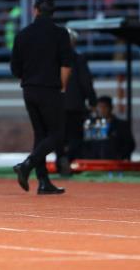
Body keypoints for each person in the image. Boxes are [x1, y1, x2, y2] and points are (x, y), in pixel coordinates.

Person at [11, 0, 73, 194]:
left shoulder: (22, 34)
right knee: (57, 135)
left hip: (29, 89)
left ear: (35, 10)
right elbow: (66, 64)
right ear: (53, 12)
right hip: (50, 89)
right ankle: (26, 165)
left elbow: (15, 69)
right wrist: (62, 88)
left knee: (40, 135)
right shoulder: (60, 34)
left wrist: (29, 77)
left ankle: (43, 181)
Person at [57, 28, 97, 175]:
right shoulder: (78, 59)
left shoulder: (52, 59)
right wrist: (92, 101)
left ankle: (61, 161)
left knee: (58, 137)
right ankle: (69, 160)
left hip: (56, 105)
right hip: (75, 106)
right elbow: (85, 82)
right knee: (76, 137)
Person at [83, 96, 135, 160]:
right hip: (95, 162)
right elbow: (86, 144)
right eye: (99, 107)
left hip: (115, 162)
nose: (102, 110)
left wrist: (119, 156)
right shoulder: (92, 124)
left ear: (111, 108)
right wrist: (90, 158)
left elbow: (130, 145)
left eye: (104, 107)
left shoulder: (121, 125)